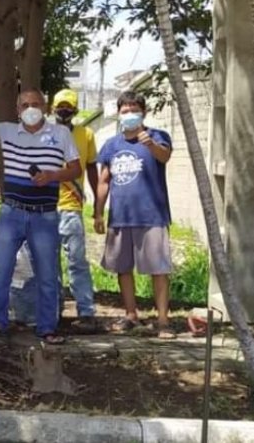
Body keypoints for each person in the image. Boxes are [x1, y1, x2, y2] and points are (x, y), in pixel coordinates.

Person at [0, 85, 82, 344]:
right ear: (17, 110)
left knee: (47, 273)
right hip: (12, 212)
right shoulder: (8, 130)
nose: (31, 109)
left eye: (36, 104)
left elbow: (76, 168)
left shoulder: (60, 134)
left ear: (45, 107)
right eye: (25, 105)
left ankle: (47, 327)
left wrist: (53, 176)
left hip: (44, 216)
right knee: (1, 271)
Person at [94, 91, 175, 338]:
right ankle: (131, 315)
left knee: (158, 269)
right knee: (123, 268)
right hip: (120, 216)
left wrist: (149, 143)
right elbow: (104, 180)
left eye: (134, 110)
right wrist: (98, 213)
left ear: (143, 112)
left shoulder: (158, 136)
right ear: (118, 114)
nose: (129, 114)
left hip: (152, 216)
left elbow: (165, 156)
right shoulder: (111, 145)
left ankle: (163, 321)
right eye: (125, 110)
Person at [50, 88, 100, 329]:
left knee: (77, 261)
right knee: (50, 263)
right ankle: (53, 311)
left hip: (72, 208)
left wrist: (98, 205)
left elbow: (92, 168)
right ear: (53, 109)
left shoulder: (86, 134)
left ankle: (86, 311)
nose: (64, 111)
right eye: (60, 107)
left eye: (68, 107)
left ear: (75, 109)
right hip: (47, 207)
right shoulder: (43, 134)